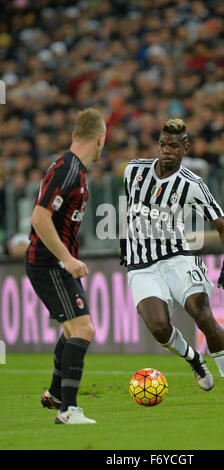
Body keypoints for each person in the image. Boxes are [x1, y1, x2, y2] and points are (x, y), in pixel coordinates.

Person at [120, 118, 224, 403]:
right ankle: (194, 360)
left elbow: (223, 226)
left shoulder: (193, 185)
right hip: (142, 265)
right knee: (158, 327)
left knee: (201, 312)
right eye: (163, 144)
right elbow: (131, 207)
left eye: (174, 146)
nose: (167, 150)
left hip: (178, 257)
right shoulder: (133, 170)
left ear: (186, 147)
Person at [25, 108, 107, 424]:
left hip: (52, 262)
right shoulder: (68, 172)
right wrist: (67, 258)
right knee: (83, 329)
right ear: (101, 139)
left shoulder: (73, 168)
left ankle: (56, 394)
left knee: (70, 329)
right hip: (49, 263)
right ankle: (68, 411)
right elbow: (38, 218)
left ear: (75, 135)